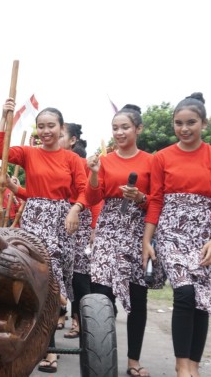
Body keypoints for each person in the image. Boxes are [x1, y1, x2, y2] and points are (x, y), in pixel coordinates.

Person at [0, 98, 88, 374]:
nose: (46, 131)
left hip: (61, 221)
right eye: (41, 127)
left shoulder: (72, 159)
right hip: (34, 218)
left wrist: (75, 208)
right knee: (37, 281)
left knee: (54, 285)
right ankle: (45, 350)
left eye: (51, 126)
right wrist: (4, 117)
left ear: (61, 129)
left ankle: (48, 344)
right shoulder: (29, 153)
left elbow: (83, 190)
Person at [142, 93, 211, 377]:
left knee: (201, 298)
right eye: (179, 123)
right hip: (171, 232)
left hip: (205, 234)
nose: (184, 128)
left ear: (203, 123)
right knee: (184, 293)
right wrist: (147, 239)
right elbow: (155, 200)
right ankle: (182, 365)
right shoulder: (162, 157)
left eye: (191, 122)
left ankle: (194, 365)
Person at [85, 105, 162, 377]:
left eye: (125, 127)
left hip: (138, 231)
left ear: (138, 129)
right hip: (108, 229)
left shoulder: (152, 161)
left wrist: (141, 198)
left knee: (137, 298)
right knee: (101, 296)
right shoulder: (104, 161)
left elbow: (158, 201)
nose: (119, 132)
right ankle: (101, 360)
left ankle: (133, 361)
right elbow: (92, 199)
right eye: (115, 128)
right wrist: (94, 172)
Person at [58, 122, 102, 340]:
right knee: (56, 271)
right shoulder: (54, 161)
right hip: (57, 219)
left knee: (79, 275)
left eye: (60, 135)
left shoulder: (82, 163)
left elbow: (93, 196)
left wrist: (94, 227)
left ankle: (79, 321)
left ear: (72, 140)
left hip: (81, 220)